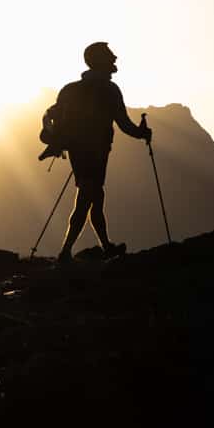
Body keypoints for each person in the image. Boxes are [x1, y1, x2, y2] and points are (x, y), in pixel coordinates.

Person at [49, 41, 151, 263]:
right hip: (96, 153)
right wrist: (142, 134)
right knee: (88, 197)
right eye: (110, 56)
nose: (115, 59)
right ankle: (66, 252)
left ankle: (104, 246)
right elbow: (124, 124)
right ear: (99, 60)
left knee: (95, 196)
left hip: (78, 152)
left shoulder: (70, 90)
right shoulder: (109, 90)